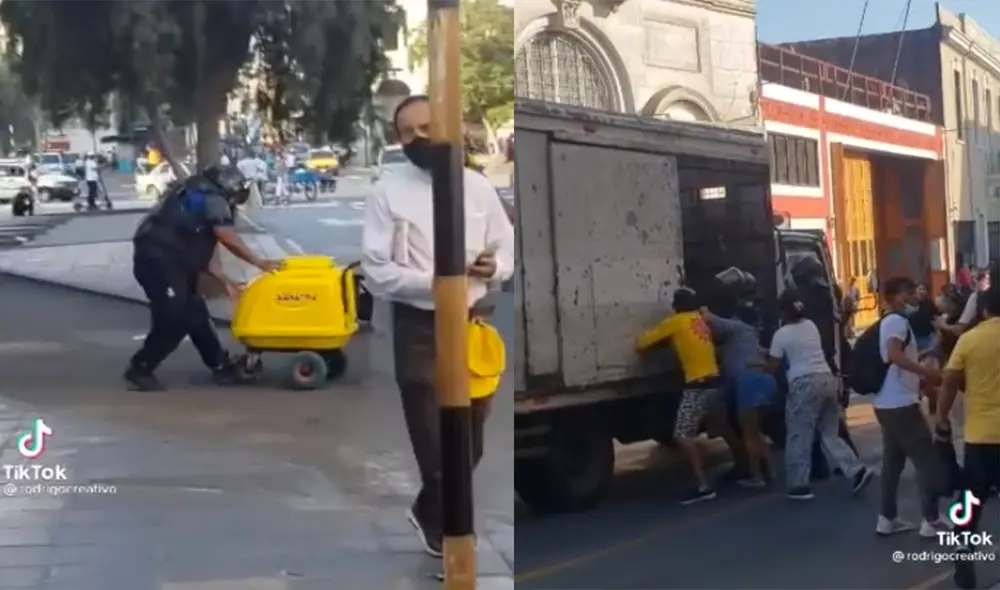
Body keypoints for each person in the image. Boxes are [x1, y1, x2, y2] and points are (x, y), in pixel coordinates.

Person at [360, 94, 515, 558]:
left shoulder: (477, 187)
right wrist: (434, 284)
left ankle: (427, 510)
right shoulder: (387, 191)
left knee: (470, 440)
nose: (419, 138)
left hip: (472, 324)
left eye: (427, 127)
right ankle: (451, 533)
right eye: (408, 132)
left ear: (448, 125)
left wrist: (494, 267)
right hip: (419, 327)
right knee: (434, 441)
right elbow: (375, 269)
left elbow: (504, 248)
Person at [125, 166, 281, 391]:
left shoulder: (194, 192)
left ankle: (220, 366)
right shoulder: (213, 199)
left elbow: (208, 251)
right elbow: (226, 236)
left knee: (196, 314)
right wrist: (259, 262)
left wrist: (226, 281)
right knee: (174, 319)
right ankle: (140, 368)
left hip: (172, 262)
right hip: (160, 263)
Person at [766, 289, 873, 500]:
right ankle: (855, 469)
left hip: (803, 384)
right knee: (829, 433)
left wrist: (760, 364)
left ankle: (799, 485)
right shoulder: (811, 326)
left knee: (799, 434)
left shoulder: (781, 334)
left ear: (783, 312)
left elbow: (773, 365)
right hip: (826, 379)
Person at [869, 277, 949, 537]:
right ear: (896, 296)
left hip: (886, 401)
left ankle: (887, 518)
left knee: (893, 461)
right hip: (901, 403)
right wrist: (926, 373)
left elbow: (895, 357)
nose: (915, 296)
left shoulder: (889, 321)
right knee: (926, 459)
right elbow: (895, 355)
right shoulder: (897, 321)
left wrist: (922, 360)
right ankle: (931, 519)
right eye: (909, 291)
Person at [636, 288, 732, 504]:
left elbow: (642, 343)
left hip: (697, 386)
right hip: (715, 382)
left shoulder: (676, 322)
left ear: (676, 306)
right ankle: (749, 467)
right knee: (722, 427)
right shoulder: (699, 320)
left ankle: (703, 486)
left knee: (682, 435)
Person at [936, 285, 1000, 590]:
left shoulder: (969, 340)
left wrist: (941, 420)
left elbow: (949, 383)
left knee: (968, 505)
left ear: (983, 310)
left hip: (980, 438)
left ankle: (963, 557)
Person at [700, 306, 776, 487]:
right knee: (756, 432)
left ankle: (756, 477)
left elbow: (711, 319)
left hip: (747, 383)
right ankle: (770, 471)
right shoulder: (750, 337)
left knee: (749, 433)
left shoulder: (738, 327)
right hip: (763, 380)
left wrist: (702, 310)